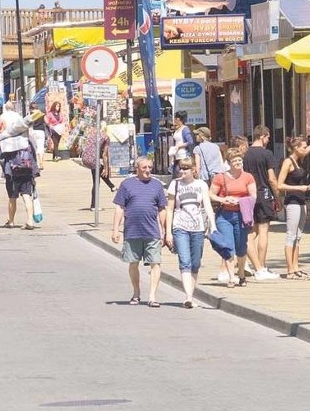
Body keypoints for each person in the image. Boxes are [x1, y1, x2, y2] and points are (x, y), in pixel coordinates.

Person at [112, 156, 167, 308]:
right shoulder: (127, 184)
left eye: (150, 167)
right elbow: (120, 208)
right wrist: (115, 229)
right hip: (132, 231)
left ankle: (152, 296)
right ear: (137, 168)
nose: (148, 171)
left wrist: (165, 230)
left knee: (155, 263)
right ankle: (136, 293)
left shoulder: (157, 185)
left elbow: (162, 209)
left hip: (152, 232)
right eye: (144, 168)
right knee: (133, 263)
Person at [277, 127, 310, 280]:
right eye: (303, 147)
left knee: (298, 236)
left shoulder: (299, 160)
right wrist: (300, 187)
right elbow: (280, 185)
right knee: (291, 235)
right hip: (292, 201)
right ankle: (289, 270)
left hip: (301, 201)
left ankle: (296, 267)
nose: (306, 149)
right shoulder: (288, 162)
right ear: (296, 148)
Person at [165, 157, 217, 308]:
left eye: (186, 168)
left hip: (198, 227)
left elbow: (207, 206)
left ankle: (191, 295)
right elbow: (169, 209)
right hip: (180, 226)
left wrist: (212, 225)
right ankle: (188, 297)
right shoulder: (175, 184)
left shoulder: (201, 185)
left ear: (194, 169)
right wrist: (168, 232)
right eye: (181, 168)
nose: (183, 171)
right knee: (185, 261)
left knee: (195, 263)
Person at [210, 148, 257, 287]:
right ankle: (231, 277)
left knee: (241, 247)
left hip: (242, 215)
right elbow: (211, 194)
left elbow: (253, 196)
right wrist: (223, 200)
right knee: (228, 246)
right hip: (224, 215)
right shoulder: (220, 177)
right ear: (229, 163)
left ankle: (241, 273)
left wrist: (239, 201)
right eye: (235, 160)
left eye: (239, 160)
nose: (238, 163)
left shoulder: (248, 177)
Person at [242, 125, 281, 281]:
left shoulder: (245, 154)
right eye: (268, 137)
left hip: (247, 195)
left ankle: (252, 264)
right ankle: (261, 267)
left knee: (250, 232)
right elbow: (271, 178)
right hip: (263, 193)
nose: (268, 140)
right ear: (263, 136)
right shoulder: (267, 154)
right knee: (263, 231)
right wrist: (278, 197)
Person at [0, 112, 41, 230]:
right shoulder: (29, 140)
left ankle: (11, 221)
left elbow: (0, 155)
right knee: (27, 195)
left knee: (12, 197)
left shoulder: (7, 138)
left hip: (12, 172)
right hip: (27, 170)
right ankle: (30, 221)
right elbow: (34, 155)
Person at [81, 121, 116, 211]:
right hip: (93, 159)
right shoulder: (106, 137)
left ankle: (112, 186)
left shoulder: (92, 134)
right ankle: (94, 205)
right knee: (96, 182)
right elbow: (105, 155)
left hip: (85, 157)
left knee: (98, 172)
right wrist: (106, 168)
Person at [170, 110, 194, 177]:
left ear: (178, 119)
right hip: (177, 154)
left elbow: (190, 141)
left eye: (174, 118)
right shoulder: (178, 128)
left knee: (180, 172)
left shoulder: (185, 129)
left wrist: (180, 146)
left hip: (183, 154)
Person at [28, 103, 46, 170]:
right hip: (41, 131)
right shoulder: (41, 113)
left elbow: (29, 123)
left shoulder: (31, 114)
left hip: (33, 131)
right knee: (41, 146)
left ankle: (35, 163)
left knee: (34, 147)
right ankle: (41, 162)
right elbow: (45, 121)